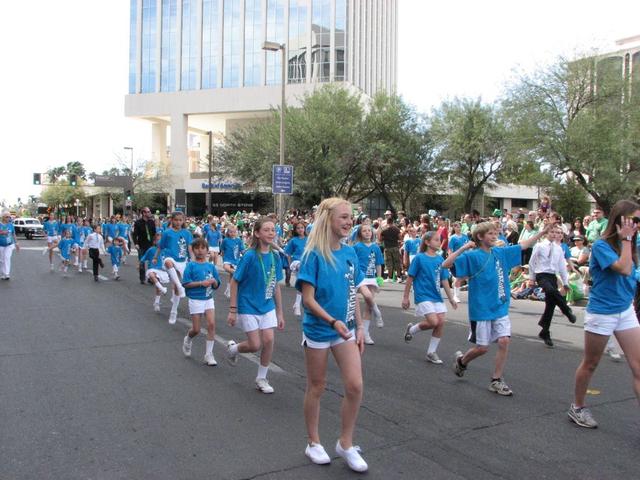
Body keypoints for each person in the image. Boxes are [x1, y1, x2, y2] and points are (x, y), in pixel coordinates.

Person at [296, 197, 369, 473]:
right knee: (317, 386)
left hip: (345, 329)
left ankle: (345, 443)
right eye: (344, 217)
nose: (350, 222)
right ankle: (313, 442)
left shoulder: (350, 253)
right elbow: (308, 300)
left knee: (355, 385)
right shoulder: (313, 254)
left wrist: (359, 326)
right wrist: (332, 320)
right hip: (318, 329)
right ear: (328, 219)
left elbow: (353, 294)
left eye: (351, 217)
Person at [443, 221, 547, 396]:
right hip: (481, 308)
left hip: (500, 306)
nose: (495, 236)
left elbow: (524, 245)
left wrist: (542, 231)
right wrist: (463, 248)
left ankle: (496, 380)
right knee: (482, 348)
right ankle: (462, 361)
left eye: (496, 233)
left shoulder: (500, 252)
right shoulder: (472, 256)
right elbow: (446, 265)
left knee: (504, 341)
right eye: (490, 234)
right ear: (480, 237)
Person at [569, 200, 640, 428]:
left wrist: (630, 241)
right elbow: (624, 268)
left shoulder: (633, 243)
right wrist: (627, 240)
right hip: (602, 312)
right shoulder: (601, 246)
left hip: (625, 310)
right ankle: (578, 407)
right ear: (621, 220)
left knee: (638, 366)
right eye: (635, 220)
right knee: (590, 363)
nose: (638, 225)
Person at [226, 217, 285, 393]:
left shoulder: (275, 256)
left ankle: (261, 378)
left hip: (267, 306)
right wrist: (232, 310)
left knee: (269, 340)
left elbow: (275, 286)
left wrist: (280, 313)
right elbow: (235, 282)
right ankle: (233, 349)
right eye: (266, 230)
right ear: (257, 233)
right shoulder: (250, 256)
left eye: (273, 230)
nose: (270, 233)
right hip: (248, 305)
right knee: (254, 345)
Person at [402, 231, 457, 364]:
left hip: (436, 296)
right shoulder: (419, 258)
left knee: (441, 322)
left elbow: (444, 280)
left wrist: (451, 298)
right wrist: (405, 297)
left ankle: (431, 352)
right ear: (427, 242)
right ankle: (413, 329)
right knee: (433, 322)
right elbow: (410, 278)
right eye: (437, 240)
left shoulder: (440, 259)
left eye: (440, 240)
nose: (440, 242)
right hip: (423, 295)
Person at [528, 225, 577, 347]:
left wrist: (565, 283)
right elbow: (532, 262)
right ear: (546, 233)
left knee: (550, 304)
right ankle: (566, 310)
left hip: (552, 275)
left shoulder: (559, 248)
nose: (554, 234)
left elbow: (561, 266)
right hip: (541, 274)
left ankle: (545, 332)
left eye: (557, 232)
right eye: (552, 232)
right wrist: (532, 278)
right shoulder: (539, 246)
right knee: (550, 291)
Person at [182, 238, 221, 366]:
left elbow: (216, 284)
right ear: (193, 250)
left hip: (208, 299)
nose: (200, 251)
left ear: (207, 250)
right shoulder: (190, 266)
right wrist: (201, 283)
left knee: (211, 324)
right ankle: (188, 339)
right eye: (197, 248)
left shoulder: (211, 266)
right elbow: (186, 284)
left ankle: (208, 355)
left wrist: (214, 282)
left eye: (202, 248)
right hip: (195, 299)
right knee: (197, 329)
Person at [154, 211, 194, 324]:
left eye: (180, 220)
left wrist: (193, 260)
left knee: (176, 288)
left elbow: (190, 248)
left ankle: (174, 311)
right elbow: (160, 246)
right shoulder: (167, 232)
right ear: (171, 220)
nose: (178, 222)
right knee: (168, 262)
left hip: (182, 261)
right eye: (176, 220)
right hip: (170, 257)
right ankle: (180, 287)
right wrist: (156, 257)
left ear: (183, 221)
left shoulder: (187, 233)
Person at [353, 224, 384, 344]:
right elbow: (353, 262)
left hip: (372, 277)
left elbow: (378, 263)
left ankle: (366, 334)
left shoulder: (376, 247)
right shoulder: (356, 247)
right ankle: (378, 312)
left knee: (368, 305)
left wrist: (379, 277)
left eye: (369, 231)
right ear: (360, 234)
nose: (367, 233)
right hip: (360, 276)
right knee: (368, 296)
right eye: (364, 231)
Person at [139, 233, 169, 311]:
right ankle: (163, 289)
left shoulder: (165, 250)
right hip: (152, 268)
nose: (159, 242)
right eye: (157, 240)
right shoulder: (151, 249)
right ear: (154, 242)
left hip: (161, 269)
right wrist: (140, 264)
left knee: (157, 288)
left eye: (161, 240)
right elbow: (144, 257)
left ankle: (156, 302)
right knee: (152, 275)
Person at [284, 220, 308, 315]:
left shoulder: (309, 239)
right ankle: (298, 304)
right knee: (303, 282)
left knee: (304, 284)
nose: (300, 230)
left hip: (307, 263)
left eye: (302, 228)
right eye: (298, 228)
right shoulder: (293, 240)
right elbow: (288, 253)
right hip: (297, 262)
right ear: (295, 230)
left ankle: (297, 303)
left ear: (304, 228)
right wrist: (290, 265)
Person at [132, 207, 156, 284]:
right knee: (142, 262)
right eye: (148, 212)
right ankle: (142, 278)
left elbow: (154, 234)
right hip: (141, 245)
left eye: (149, 211)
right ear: (144, 213)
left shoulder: (152, 222)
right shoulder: (138, 223)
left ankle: (150, 277)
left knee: (151, 262)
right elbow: (135, 234)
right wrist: (136, 243)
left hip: (150, 245)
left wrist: (155, 243)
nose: (149, 213)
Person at [220, 224, 244, 299]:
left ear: (236, 232)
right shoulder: (225, 240)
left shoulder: (239, 240)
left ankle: (228, 290)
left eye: (234, 232)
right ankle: (238, 275)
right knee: (228, 269)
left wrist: (247, 253)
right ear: (228, 232)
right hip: (227, 260)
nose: (232, 233)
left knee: (232, 276)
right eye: (231, 232)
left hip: (236, 261)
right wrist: (223, 259)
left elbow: (242, 250)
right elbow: (222, 251)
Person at [447, 222, 468, 303]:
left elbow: (469, 247)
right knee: (458, 277)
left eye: (460, 227)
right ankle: (456, 295)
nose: (459, 228)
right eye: (457, 227)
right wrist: (450, 259)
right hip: (457, 260)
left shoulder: (465, 237)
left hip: (465, 259)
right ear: (454, 228)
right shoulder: (452, 238)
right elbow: (450, 250)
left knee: (468, 276)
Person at [379, 216, 402, 282]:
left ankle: (390, 277)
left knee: (389, 263)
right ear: (393, 222)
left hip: (387, 248)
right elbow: (400, 238)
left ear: (387, 222)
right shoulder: (397, 229)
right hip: (395, 247)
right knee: (397, 262)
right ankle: (399, 277)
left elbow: (380, 239)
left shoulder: (384, 230)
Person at [0, 211, 19, 280]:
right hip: (1, 245)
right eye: (7, 217)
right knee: (2, 260)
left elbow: (14, 234)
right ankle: (2, 273)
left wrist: (17, 243)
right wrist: (2, 233)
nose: (8, 218)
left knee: (7, 258)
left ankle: (7, 273)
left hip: (9, 244)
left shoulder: (11, 224)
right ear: (3, 217)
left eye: (9, 217)